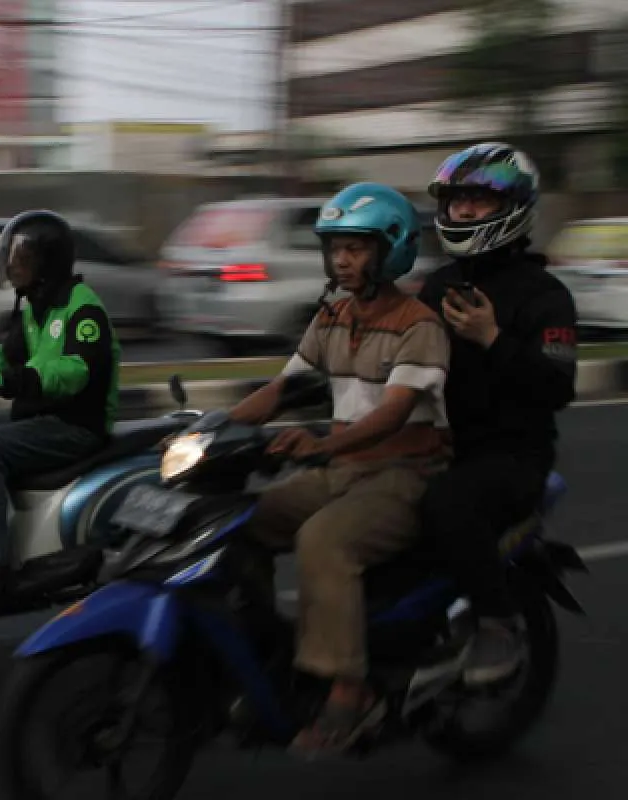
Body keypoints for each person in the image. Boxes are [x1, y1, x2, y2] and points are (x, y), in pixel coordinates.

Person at [228, 182, 451, 756]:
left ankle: (351, 695)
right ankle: (269, 654)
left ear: (391, 249)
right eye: (336, 249)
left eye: (356, 248)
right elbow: (283, 389)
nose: (343, 260)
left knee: (322, 540)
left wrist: (324, 444)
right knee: (236, 522)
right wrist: (213, 430)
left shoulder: (418, 325)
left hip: (402, 475)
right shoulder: (332, 317)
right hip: (343, 468)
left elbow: (396, 414)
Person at [416, 142, 577, 686]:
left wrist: (491, 338)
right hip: (440, 443)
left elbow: (556, 386)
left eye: (479, 200)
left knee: (448, 501)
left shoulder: (545, 296)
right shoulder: (438, 285)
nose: (463, 210)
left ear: (515, 207)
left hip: (510, 455)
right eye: (458, 199)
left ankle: (497, 625)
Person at [0, 209, 121, 610]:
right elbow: (4, 359)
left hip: (75, 424)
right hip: (39, 417)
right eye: (11, 257)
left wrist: (8, 382)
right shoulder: (34, 307)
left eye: (22, 258)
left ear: (49, 263)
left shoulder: (82, 309)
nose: (12, 266)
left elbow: (72, 373)